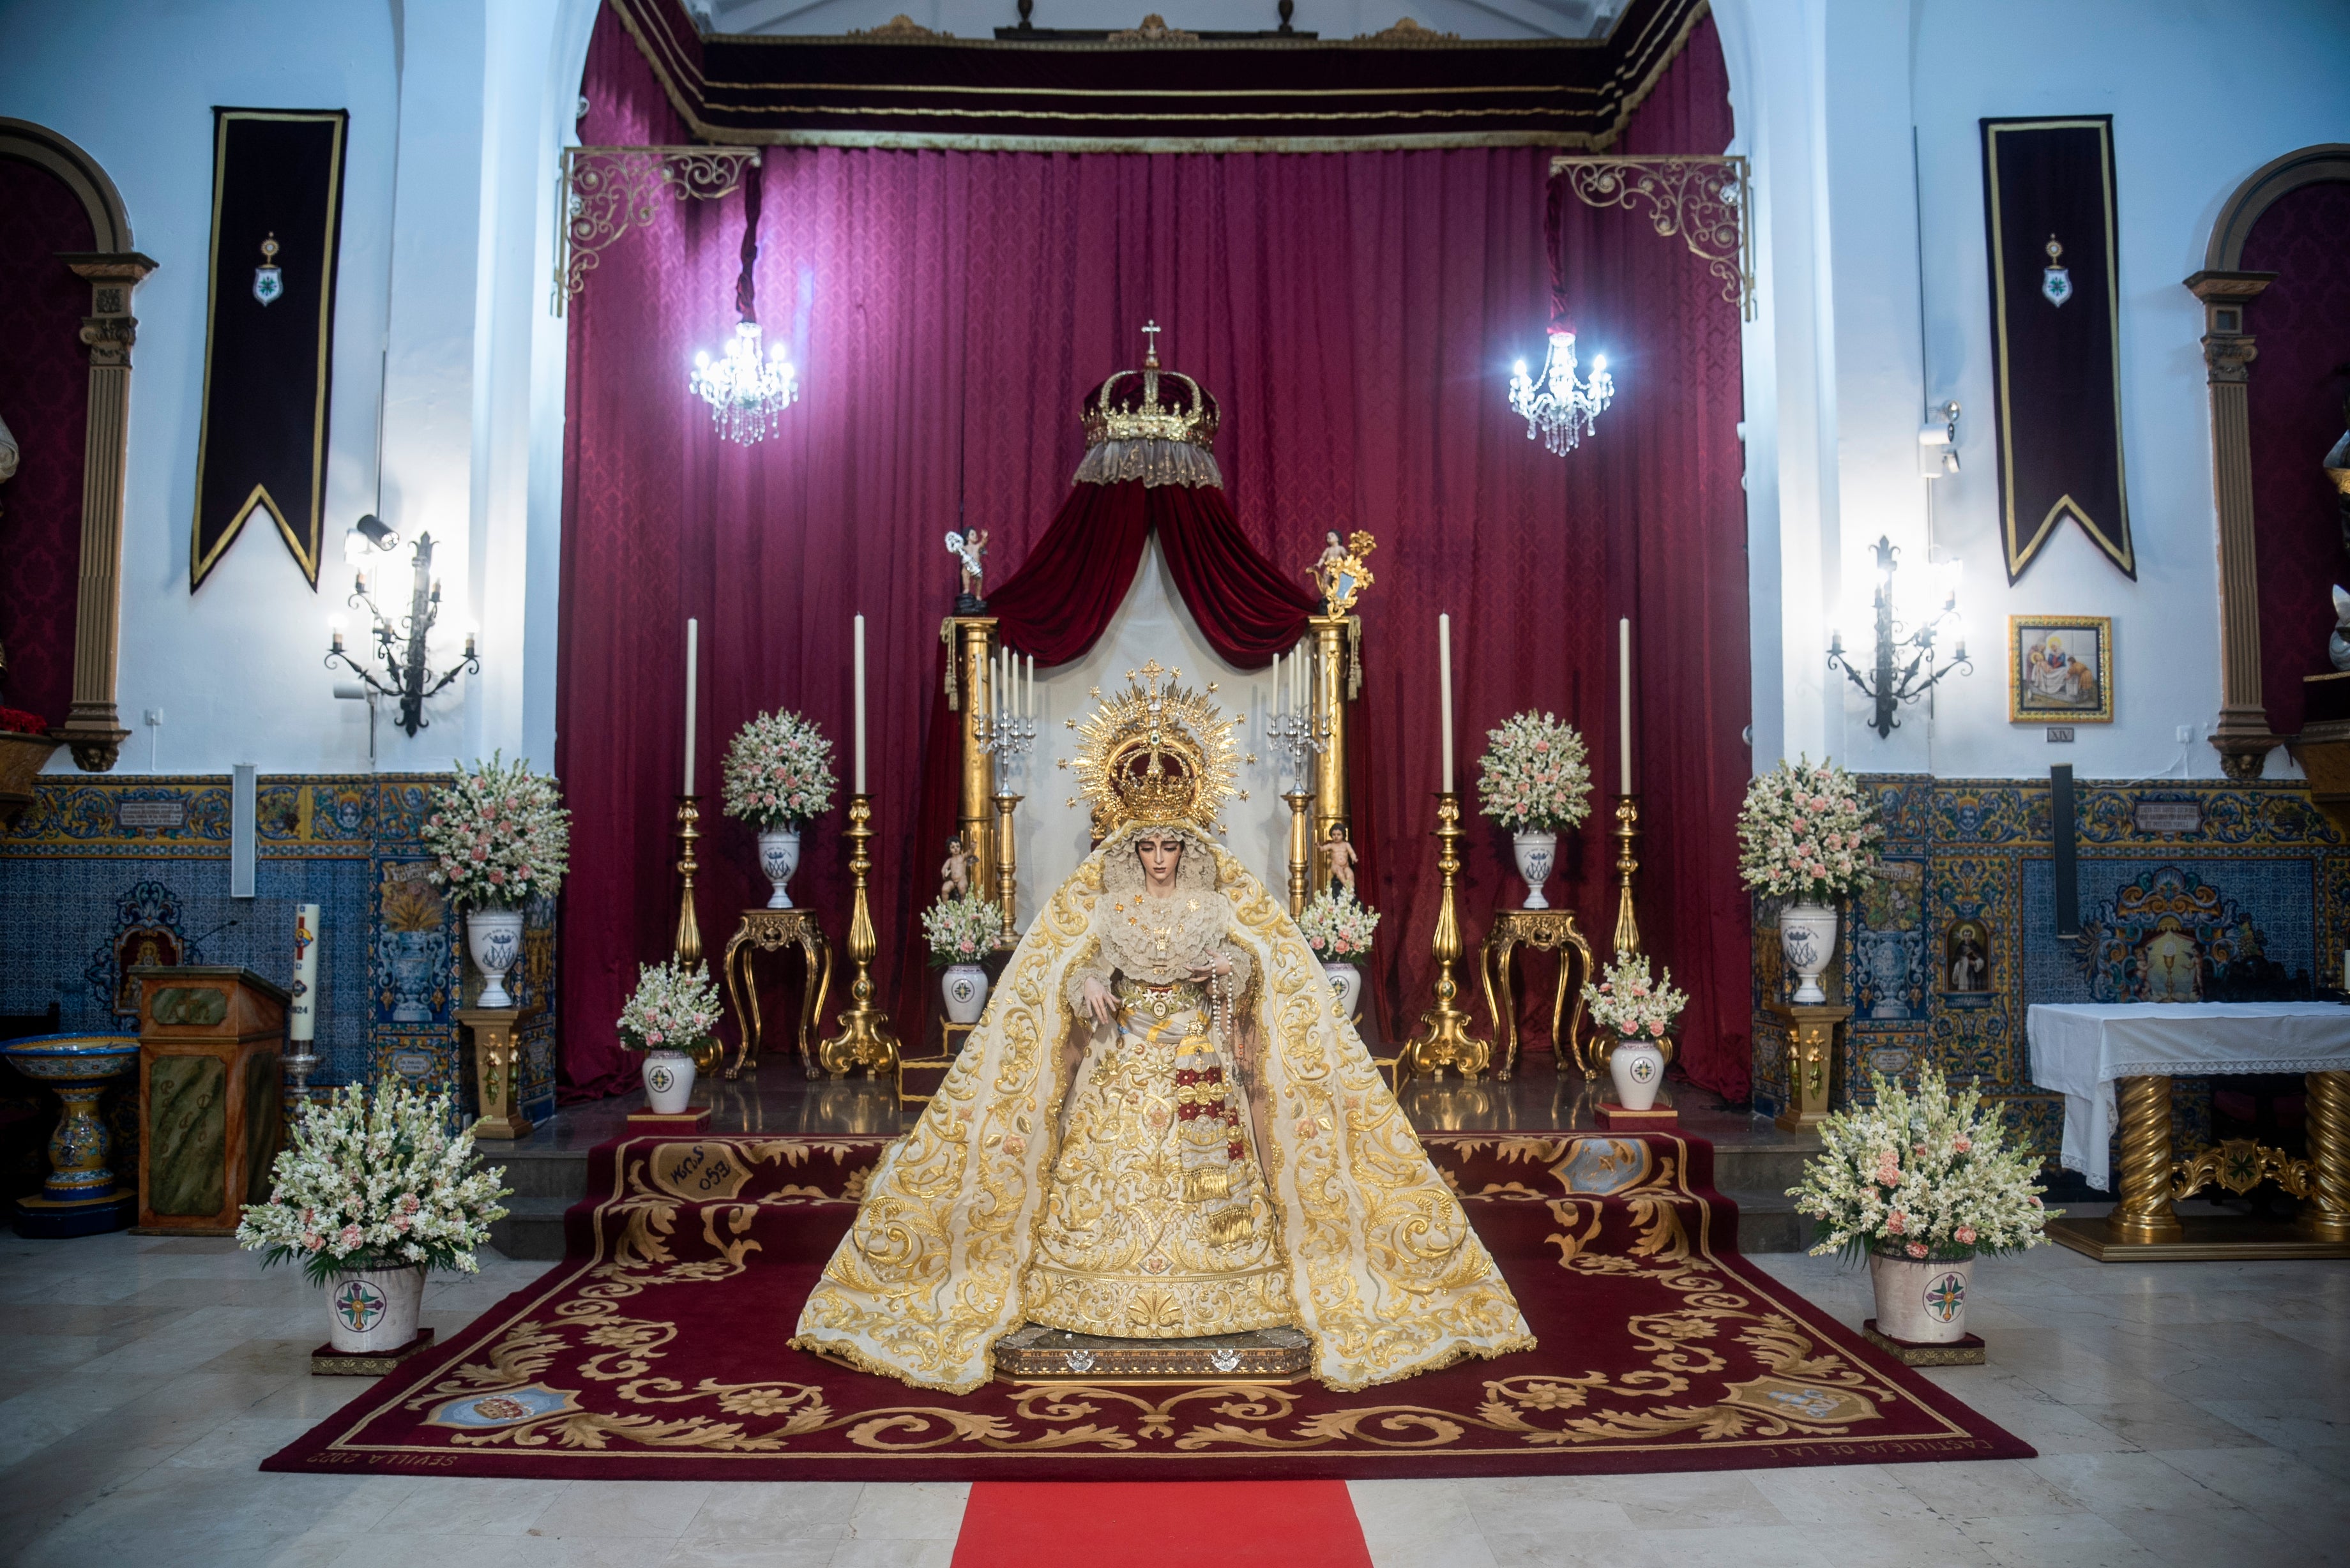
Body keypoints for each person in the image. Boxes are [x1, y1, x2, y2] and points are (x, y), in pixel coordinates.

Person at [795, 663, 1531, 1393]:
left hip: (1194, 1061)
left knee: (1209, 1167)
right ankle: (1085, 1284)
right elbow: (1075, 963)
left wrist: (1226, 970)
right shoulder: (1109, 905)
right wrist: (1085, 982)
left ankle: (1228, 1287)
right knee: (1103, 1178)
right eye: (1145, 847)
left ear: (1186, 846)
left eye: (1168, 846)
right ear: (1129, 850)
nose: (1157, 859)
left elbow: (1251, 965)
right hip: (1119, 1063)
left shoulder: (1213, 903)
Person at [1319, 821, 1358, 898]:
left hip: (1346, 866)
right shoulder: (1332, 845)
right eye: (1334, 835)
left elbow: (1351, 852)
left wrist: (1354, 858)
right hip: (1336, 866)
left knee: (1350, 874)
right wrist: (1319, 847)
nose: (1336, 837)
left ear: (1343, 835)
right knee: (1339, 872)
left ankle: (1351, 891)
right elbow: (1323, 849)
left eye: (1339, 835)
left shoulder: (1346, 845)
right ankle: (1348, 888)